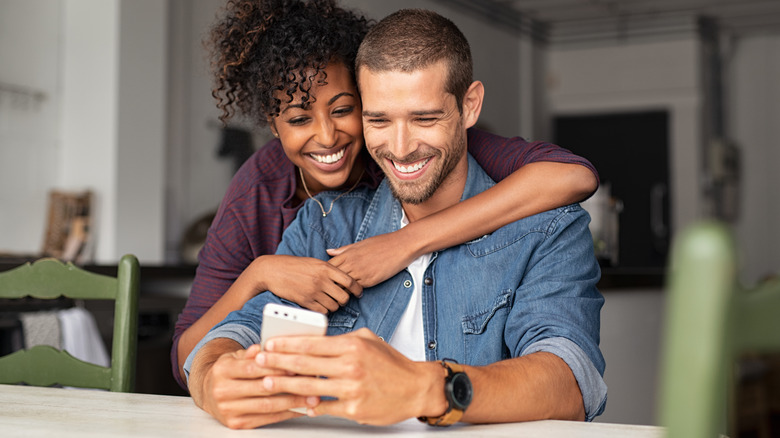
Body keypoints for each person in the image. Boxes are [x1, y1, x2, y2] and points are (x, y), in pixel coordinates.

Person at [184, 7, 606, 430]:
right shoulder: (323, 223)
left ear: (470, 106)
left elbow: (570, 382)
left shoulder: (548, 229)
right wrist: (211, 379)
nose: (401, 148)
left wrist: (426, 388)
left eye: (424, 118)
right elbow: (231, 334)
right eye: (379, 120)